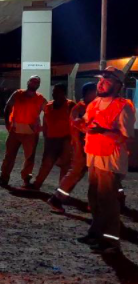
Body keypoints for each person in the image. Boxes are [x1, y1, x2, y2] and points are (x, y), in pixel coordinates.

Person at [73, 67, 135, 254]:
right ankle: (96, 232)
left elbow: (126, 137)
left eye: (106, 80)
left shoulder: (124, 106)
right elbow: (88, 124)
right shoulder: (95, 103)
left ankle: (111, 242)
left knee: (107, 201)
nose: (100, 83)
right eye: (100, 79)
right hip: (94, 155)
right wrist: (80, 124)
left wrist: (103, 132)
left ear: (118, 85)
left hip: (110, 159)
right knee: (94, 198)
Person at [47, 82, 97, 213]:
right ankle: (56, 199)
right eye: (94, 92)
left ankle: (93, 204)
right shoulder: (80, 108)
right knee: (75, 173)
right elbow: (80, 127)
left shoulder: (92, 107)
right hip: (81, 147)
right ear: (87, 93)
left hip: (89, 147)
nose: (97, 94)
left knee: (87, 175)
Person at [0, 76, 47, 188]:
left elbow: (49, 111)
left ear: (38, 85)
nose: (34, 83)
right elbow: (8, 108)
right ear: (28, 82)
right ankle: (4, 178)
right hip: (15, 131)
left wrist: (43, 127)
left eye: (37, 82)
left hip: (31, 133)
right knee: (9, 155)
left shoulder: (40, 98)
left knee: (29, 158)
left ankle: (26, 180)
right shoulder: (18, 94)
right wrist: (7, 124)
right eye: (32, 81)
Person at [30, 84, 75, 190]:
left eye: (56, 91)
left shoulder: (70, 105)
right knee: (46, 163)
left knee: (65, 165)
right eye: (53, 91)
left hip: (66, 140)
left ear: (63, 93)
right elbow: (45, 122)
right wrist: (45, 134)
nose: (53, 93)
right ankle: (37, 184)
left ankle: (61, 189)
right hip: (51, 139)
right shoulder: (49, 106)